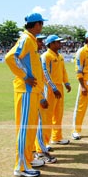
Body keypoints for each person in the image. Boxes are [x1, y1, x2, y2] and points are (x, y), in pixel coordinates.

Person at [5, 12, 47, 177]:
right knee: (25, 129)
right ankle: (21, 166)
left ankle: (28, 158)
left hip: (33, 91)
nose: (42, 26)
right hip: (26, 91)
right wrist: (25, 76)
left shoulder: (31, 40)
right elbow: (10, 57)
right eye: (41, 24)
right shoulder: (26, 39)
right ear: (36, 24)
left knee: (31, 128)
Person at [40, 34, 71, 146]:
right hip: (50, 89)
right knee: (48, 115)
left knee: (58, 114)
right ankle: (45, 141)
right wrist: (53, 87)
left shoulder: (60, 56)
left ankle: (57, 137)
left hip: (59, 88)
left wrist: (66, 82)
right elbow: (45, 73)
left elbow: (63, 71)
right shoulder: (46, 56)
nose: (60, 43)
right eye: (58, 42)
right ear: (51, 44)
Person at [33, 34, 57, 165]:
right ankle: (40, 151)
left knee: (36, 122)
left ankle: (34, 150)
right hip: (35, 94)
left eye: (42, 40)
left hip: (37, 92)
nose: (41, 43)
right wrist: (43, 96)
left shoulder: (36, 56)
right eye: (39, 41)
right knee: (40, 122)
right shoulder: (40, 56)